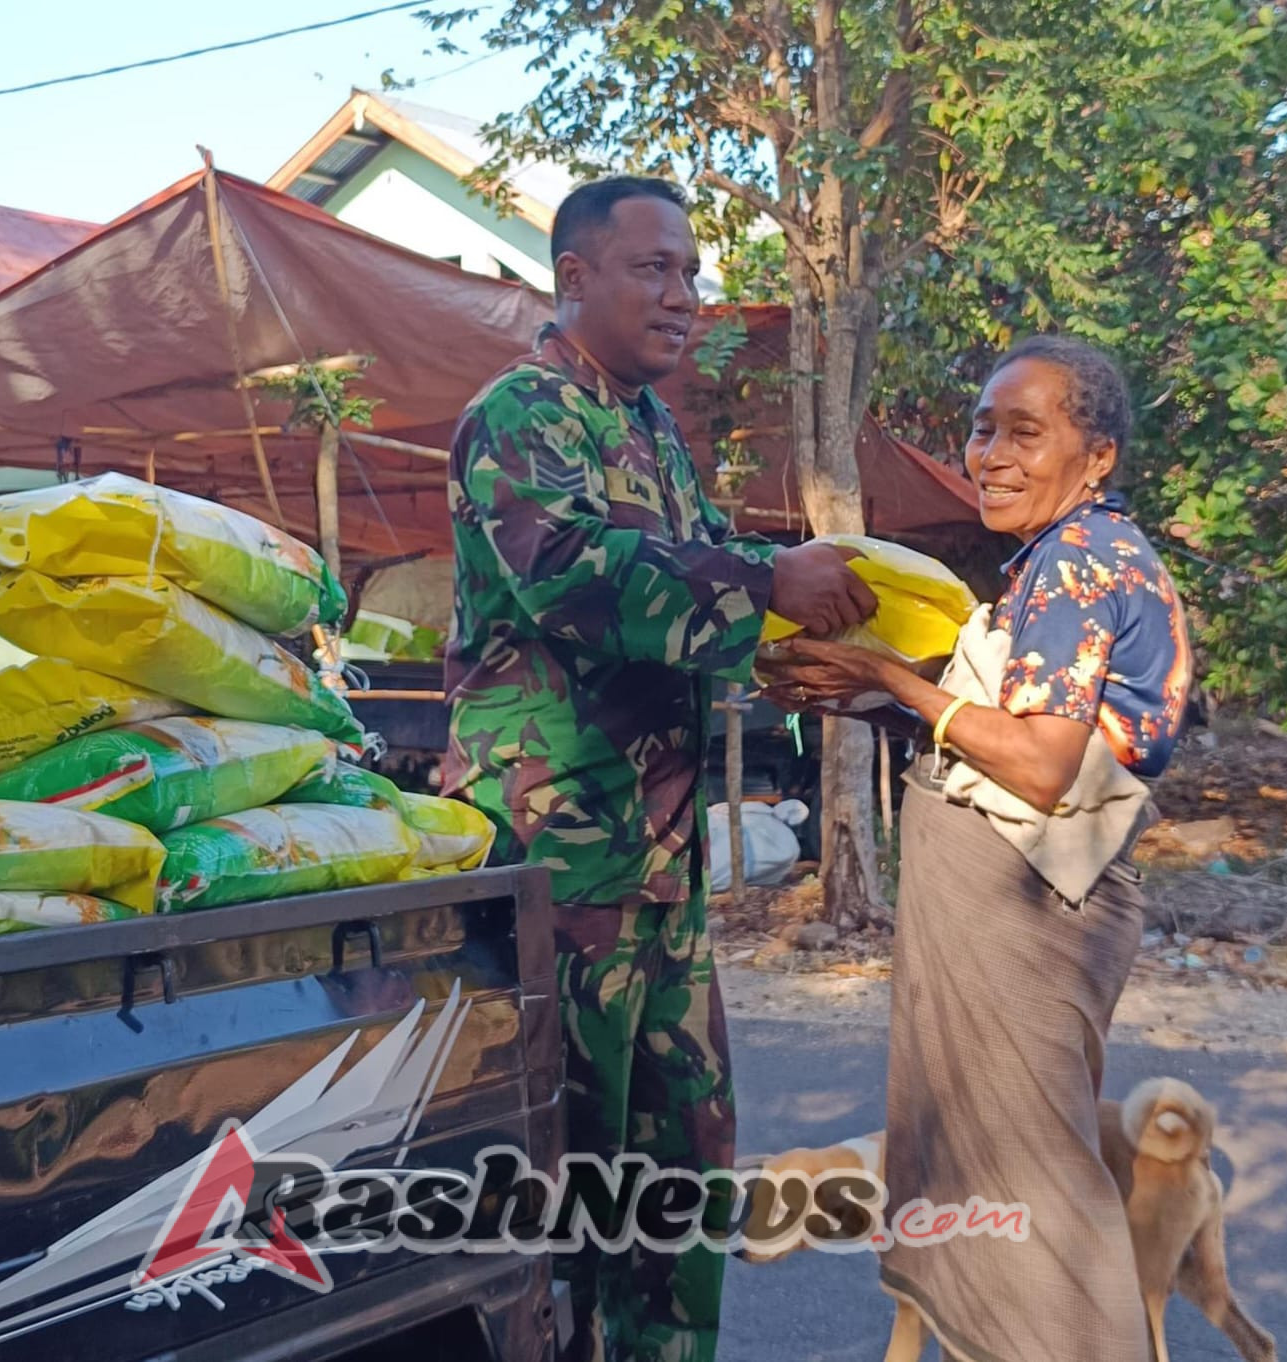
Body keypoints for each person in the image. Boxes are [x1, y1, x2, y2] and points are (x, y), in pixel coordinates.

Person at [442, 176, 876, 1362]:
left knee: (681, 1169)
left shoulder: (646, 434)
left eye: (691, 271)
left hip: (661, 867)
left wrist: (793, 627)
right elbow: (574, 576)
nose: (684, 295)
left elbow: (694, 568)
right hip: (562, 866)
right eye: (654, 269)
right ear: (573, 277)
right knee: (567, 1186)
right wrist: (757, 590)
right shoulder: (519, 415)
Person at [763, 335, 1192, 1362]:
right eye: (982, 427)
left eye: (1025, 432)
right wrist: (871, 697)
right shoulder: (1060, 561)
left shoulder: (1080, 562)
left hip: (1028, 908)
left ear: (1096, 457)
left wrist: (899, 683)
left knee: (1034, 1180)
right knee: (998, 1165)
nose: (989, 453)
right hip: (1023, 897)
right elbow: (1005, 735)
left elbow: (1043, 766)